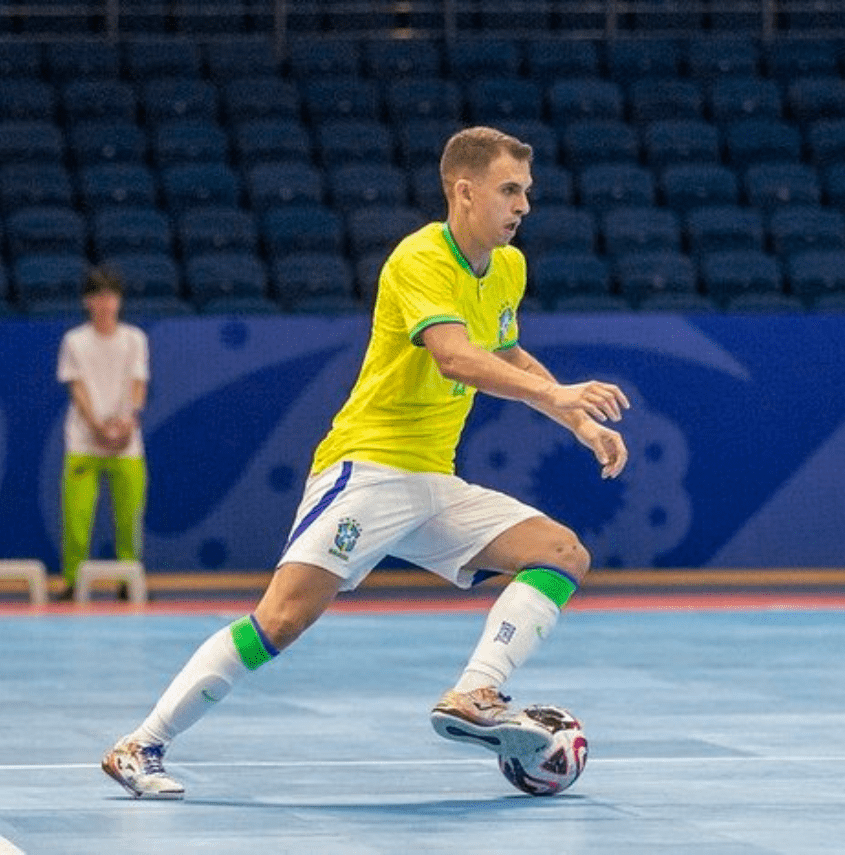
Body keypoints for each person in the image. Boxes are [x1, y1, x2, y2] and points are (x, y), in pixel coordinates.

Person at [102, 126, 631, 799]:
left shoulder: (508, 268)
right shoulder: (419, 259)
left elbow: (504, 352)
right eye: (509, 189)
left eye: (526, 190)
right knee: (281, 621)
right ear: (464, 192)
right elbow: (454, 355)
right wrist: (557, 393)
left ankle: (476, 692)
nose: (523, 204)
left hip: (433, 481)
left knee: (562, 551)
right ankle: (138, 744)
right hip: (368, 469)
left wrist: (577, 419)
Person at [57, 265, 150, 601]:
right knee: (77, 518)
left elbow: (139, 383)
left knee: (129, 519)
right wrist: (96, 425)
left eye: (111, 296)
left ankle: (129, 582)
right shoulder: (75, 341)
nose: (105, 303)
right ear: (87, 301)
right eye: (98, 296)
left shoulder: (134, 339)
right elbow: (77, 386)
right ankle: (72, 582)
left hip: (127, 444)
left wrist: (128, 421)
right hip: (84, 441)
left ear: (119, 301)